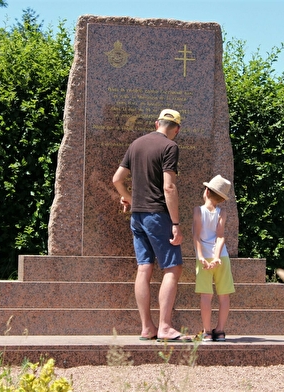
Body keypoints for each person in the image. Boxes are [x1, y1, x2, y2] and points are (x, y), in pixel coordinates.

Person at [113, 108, 190, 342]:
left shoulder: (136, 144)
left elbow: (117, 179)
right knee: (173, 268)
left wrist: (127, 197)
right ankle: (165, 327)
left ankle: (147, 327)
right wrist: (175, 222)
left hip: (137, 216)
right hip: (157, 215)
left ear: (157, 123)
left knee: (144, 268)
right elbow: (169, 187)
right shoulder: (170, 147)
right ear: (176, 128)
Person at [192, 174, 235, 342]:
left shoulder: (198, 211)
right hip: (222, 257)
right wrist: (217, 257)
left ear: (207, 192)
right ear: (221, 199)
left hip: (203, 259)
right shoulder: (221, 212)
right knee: (224, 295)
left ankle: (207, 331)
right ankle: (221, 330)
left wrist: (202, 256)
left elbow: (196, 235)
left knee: (206, 296)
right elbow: (220, 236)